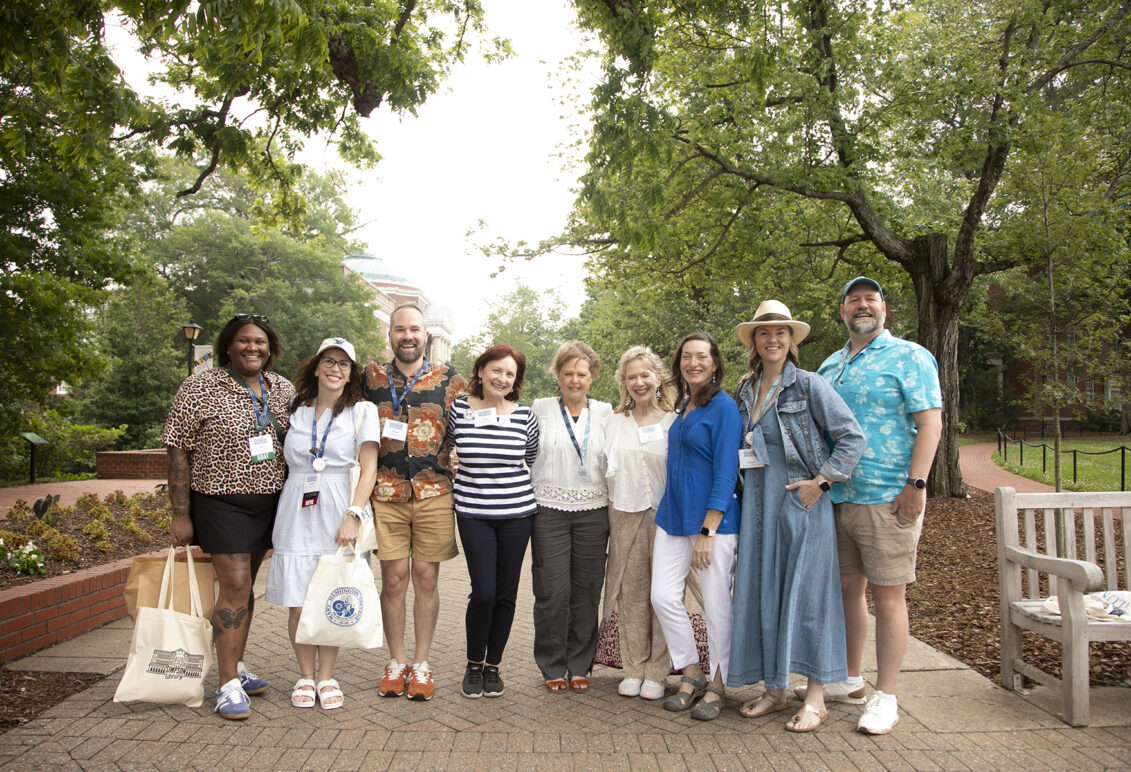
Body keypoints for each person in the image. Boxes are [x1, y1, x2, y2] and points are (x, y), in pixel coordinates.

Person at [727, 301, 866, 732]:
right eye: (765, 333)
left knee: (809, 597)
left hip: (799, 505)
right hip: (756, 509)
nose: (773, 339)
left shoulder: (809, 386)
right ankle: (776, 689)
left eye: (781, 333)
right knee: (765, 592)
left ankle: (818, 697)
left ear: (791, 340)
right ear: (754, 340)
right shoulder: (745, 389)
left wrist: (821, 482)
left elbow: (851, 437)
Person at [813, 277, 942, 735]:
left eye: (870, 299)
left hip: (889, 496)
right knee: (848, 589)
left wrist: (917, 483)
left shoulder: (910, 356)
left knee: (889, 596)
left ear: (884, 308)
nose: (862, 306)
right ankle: (851, 679)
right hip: (839, 497)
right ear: (843, 310)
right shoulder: (830, 365)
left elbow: (930, 423)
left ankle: (886, 697)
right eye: (854, 300)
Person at [162, 313, 295, 720]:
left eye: (260, 342)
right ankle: (225, 686)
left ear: (270, 348)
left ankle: (233, 664)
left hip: (270, 503)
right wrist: (180, 514)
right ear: (228, 346)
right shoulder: (201, 385)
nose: (252, 347)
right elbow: (176, 449)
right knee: (235, 585)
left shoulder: (283, 388)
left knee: (244, 588)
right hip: (221, 501)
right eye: (243, 341)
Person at [264, 337, 379, 710]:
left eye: (344, 364)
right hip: (296, 506)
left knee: (331, 593)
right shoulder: (293, 410)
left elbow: (369, 469)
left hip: (338, 506)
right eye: (329, 361)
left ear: (351, 374)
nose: (335, 369)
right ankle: (305, 676)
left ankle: (327, 676)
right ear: (315, 367)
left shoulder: (362, 411)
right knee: (298, 599)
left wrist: (354, 515)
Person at [364, 303, 468, 701]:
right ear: (390, 334)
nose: (408, 336)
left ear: (426, 334)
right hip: (386, 493)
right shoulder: (369, 379)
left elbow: (472, 431)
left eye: (415, 329)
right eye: (400, 329)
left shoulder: (452, 381)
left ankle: (421, 665)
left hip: (434, 492)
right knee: (393, 580)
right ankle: (396, 661)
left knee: (426, 579)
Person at [651, 332, 741, 721]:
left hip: (711, 522)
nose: (694, 363)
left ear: (715, 363)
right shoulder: (684, 405)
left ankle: (718, 683)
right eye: (687, 357)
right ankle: (691, 671)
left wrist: (708, 530)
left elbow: (726, 471)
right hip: (673, 515)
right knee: (662, 596)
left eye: (701, 356)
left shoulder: (724, 408)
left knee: (717, 603)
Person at [446, 345, 540, 699]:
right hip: (474, 514)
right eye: (496, 370)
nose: (502, 378)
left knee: (506, 593)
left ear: (516, 381)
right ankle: (473, 663)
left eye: (510, 374)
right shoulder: (459, 408)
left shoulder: (524, 416)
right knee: (483, 592)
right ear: (482, 370)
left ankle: (493, 665)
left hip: (518, 514)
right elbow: (447, 445)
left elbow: (530, 455)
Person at [530, 340, 613, 693]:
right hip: (548, 508)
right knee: (552, 590)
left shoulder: (607, 412)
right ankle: (551, 664)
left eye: (582, 373)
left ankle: (580, 664)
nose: (575, 380)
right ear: (557, 375)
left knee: (587, 590)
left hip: (594, 510)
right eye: (568, 373)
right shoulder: (540, 408)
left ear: (592, 376)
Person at [600, 346, 676, 701]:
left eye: (645, 375)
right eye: (632, 377)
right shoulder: (613, 423)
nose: (639, 382)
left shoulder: (675, 420)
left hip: (666, 518)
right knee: (630, 594)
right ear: (624, 383)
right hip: (625, 514)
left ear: (658, 378)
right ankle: (633, 666)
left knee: (663, 597)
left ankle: (658, 671)